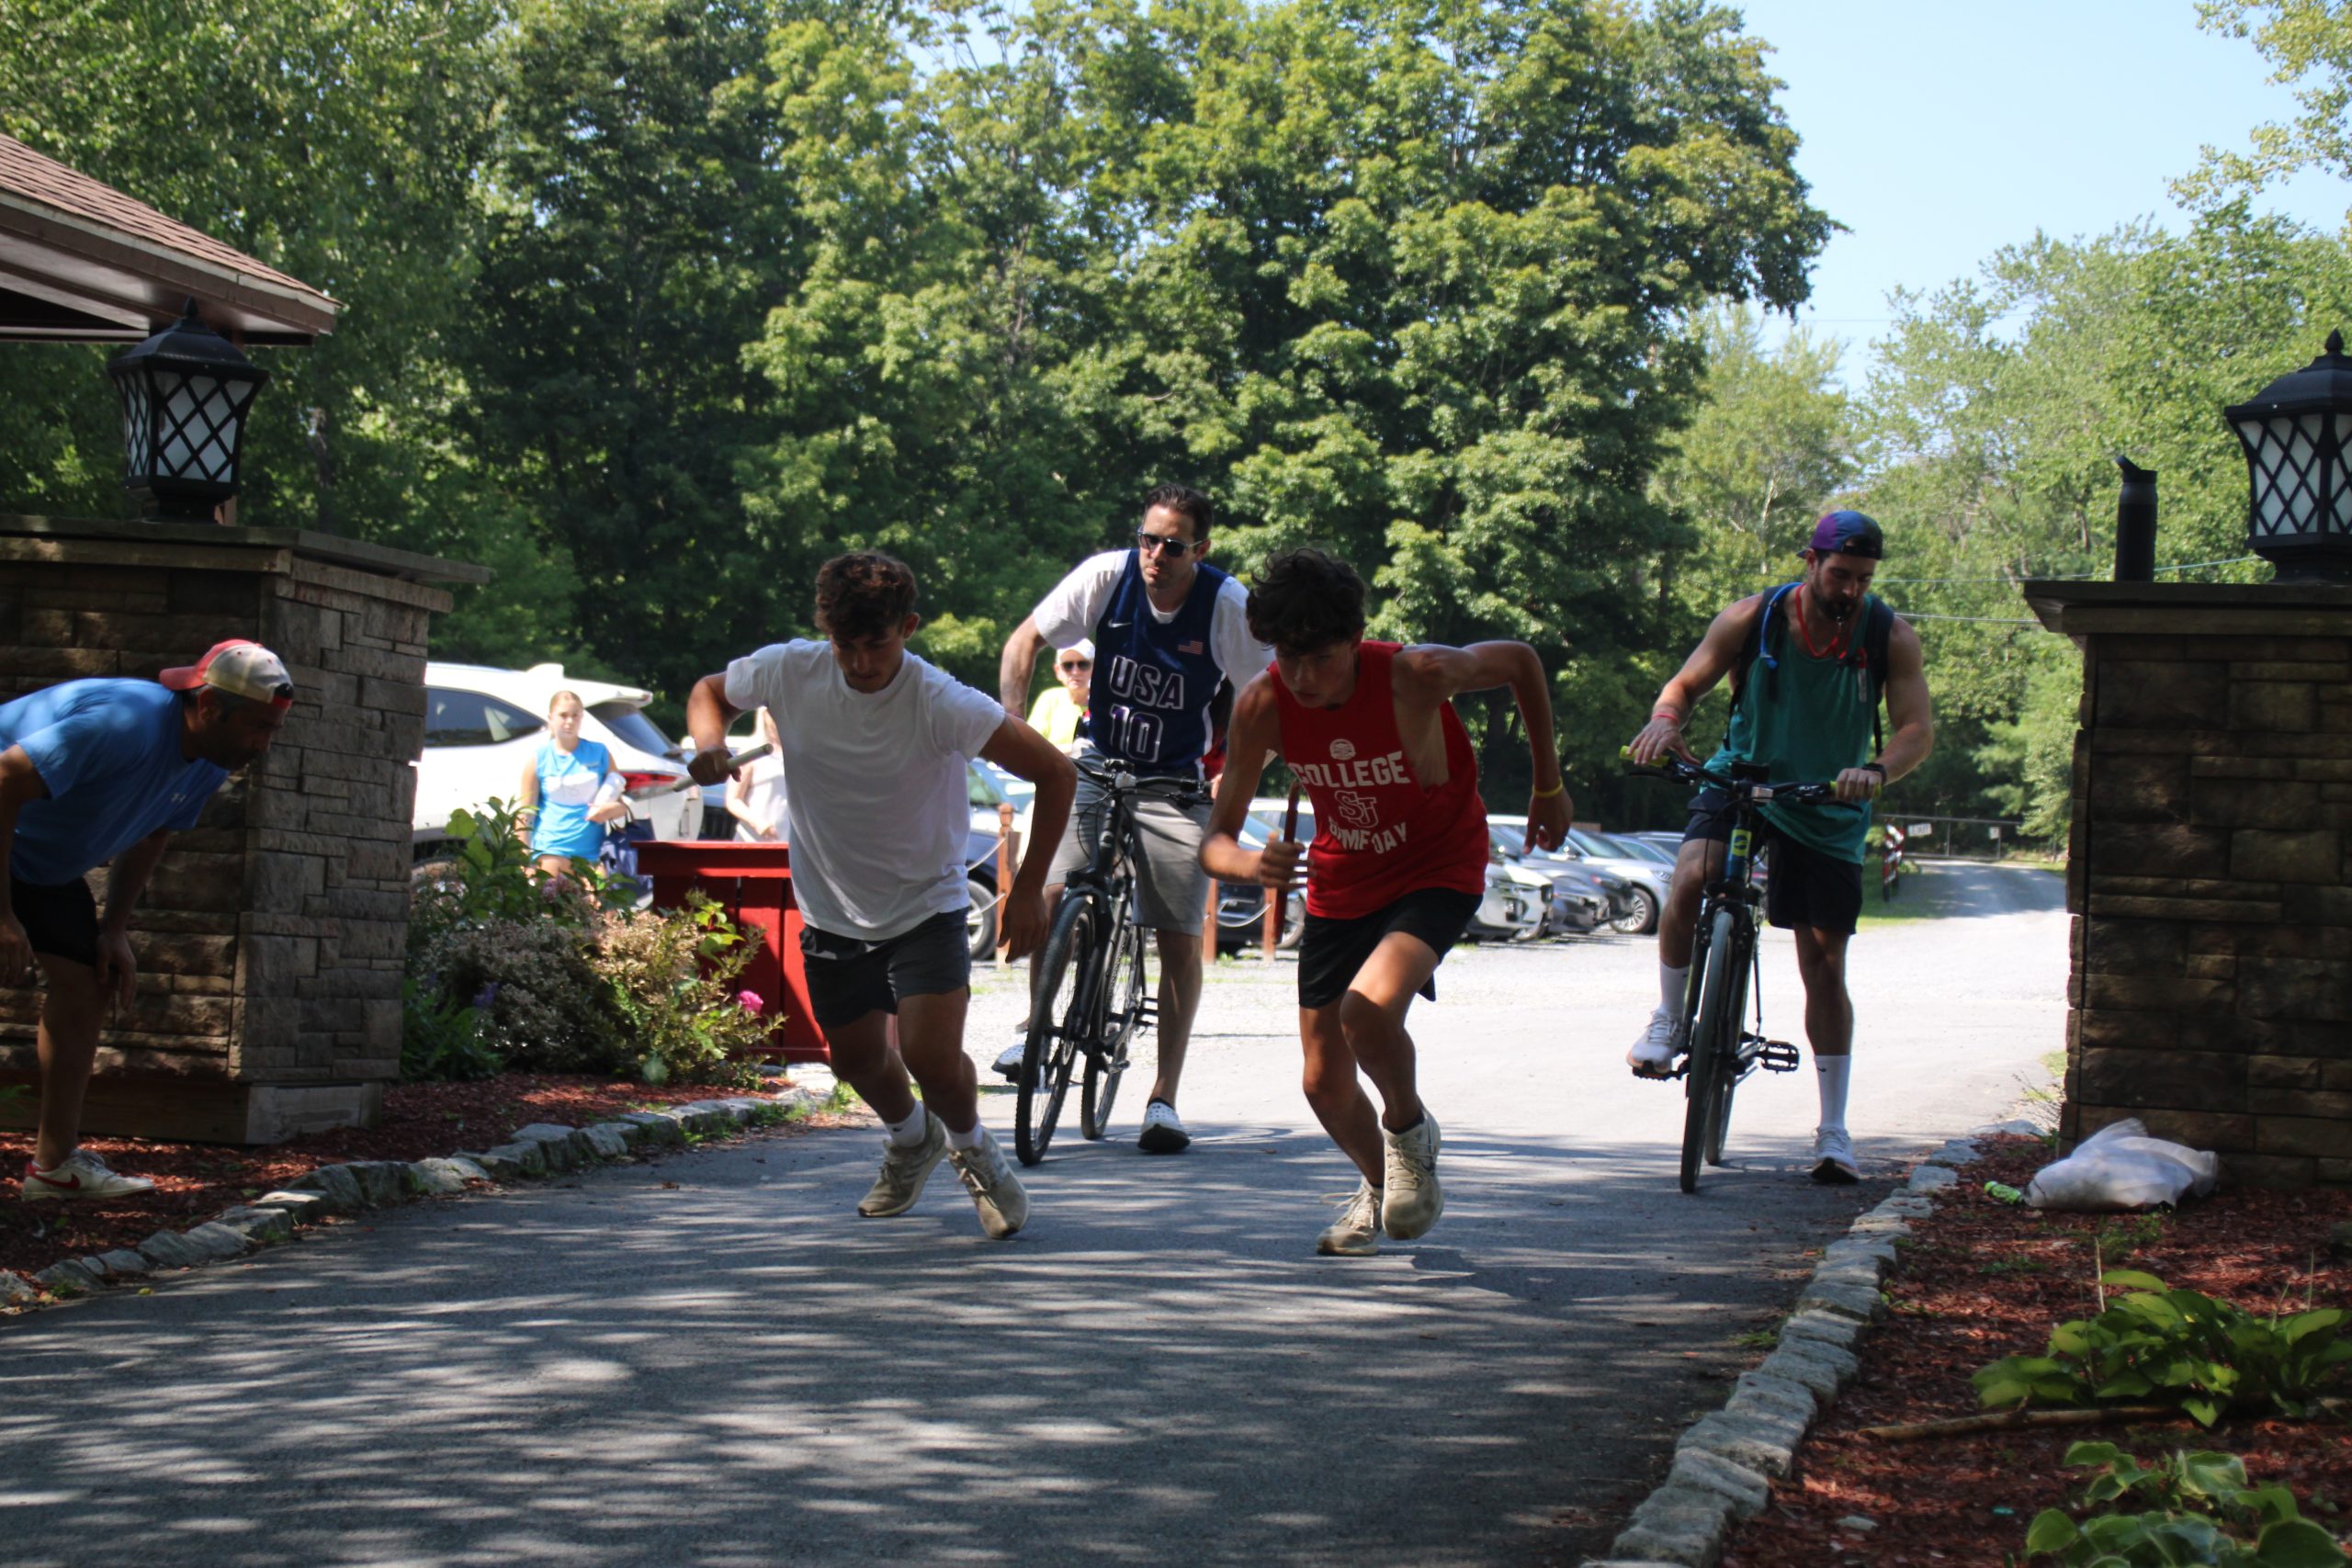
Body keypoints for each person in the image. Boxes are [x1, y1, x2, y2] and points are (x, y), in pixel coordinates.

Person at [686, 552, 1075, 1240]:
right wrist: (710, 741)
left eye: (878, 645)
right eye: (846, 646)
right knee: (855, 1061)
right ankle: (911, 1138)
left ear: (909, 627)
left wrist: (1028, 889)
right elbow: (708, 691)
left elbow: (1055, 772)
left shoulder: (941, 700)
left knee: (930, 1056)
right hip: (833, 907)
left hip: (927, 904)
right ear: (825, 632)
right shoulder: (788, 669)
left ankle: (973, 1148)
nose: (862, 664)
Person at [1200, 549, 1572, 1256]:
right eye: (1288, 657)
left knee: (1366, 1011)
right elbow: (1214, 841)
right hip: (1344, 880)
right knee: (1322, 1084)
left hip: (1437, 865)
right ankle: (1383, 1183)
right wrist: (1251, 861)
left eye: (1321, 658)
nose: (1304, 678)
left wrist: (1547, 785)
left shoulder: (1416, 673)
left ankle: (1409, 1130)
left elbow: (1521, 661)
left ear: (1355, 638)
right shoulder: (1262, 705)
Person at [1623, 510, 1934, 1184]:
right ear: (1810, 561)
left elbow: (1916, 729)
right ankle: (1670, 1018)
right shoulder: (1752, 616)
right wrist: (1666, 721)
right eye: (1841, 574)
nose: (1851, 589)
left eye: (1864, 578)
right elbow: (1684, 686)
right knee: (1690, 878)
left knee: (1824, 963)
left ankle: (1833, 1131)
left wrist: (1876, 771)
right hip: (1742, 775)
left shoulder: (1888, 635)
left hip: (1827, 797)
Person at [993, 484, 1274, 1153]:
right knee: (1050, 891)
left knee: (1177, 935)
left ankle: (1163, 1099)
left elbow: (1268, 699)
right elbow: (1023, 642)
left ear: (1200, 549)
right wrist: (1013, 729)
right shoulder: (1105, 577)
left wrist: (1234, 779)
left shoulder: (1225, 605)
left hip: (1175, 781)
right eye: (1148, 539)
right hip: (1095, 763)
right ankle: (1037, 1028)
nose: (1156, 555)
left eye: (1173, 545)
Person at [1, 639, 293, 1201]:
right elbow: (5, 778)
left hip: (38, 863)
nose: (263, 744)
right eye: (257, 727)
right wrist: (2, 915)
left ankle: (54, 1169)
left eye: (272, 730)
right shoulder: (125, 725)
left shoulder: (208, 761)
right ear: (208, 706)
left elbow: (154, 830)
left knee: (88, 983)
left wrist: (114, 930)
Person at [515, 690, 629, 879]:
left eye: (575, 715)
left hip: (592, 854)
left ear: (582, 718)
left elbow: (621, 807)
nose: (569, 721)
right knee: (550, 897)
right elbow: (525, 814)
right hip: (550, 850)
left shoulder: (600, 753)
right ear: (550, 719)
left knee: (600, 896)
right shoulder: (538, 758)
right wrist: (524, 861)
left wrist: (608, 810)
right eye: (563, 715)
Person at [725, 706, 789, 841]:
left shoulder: (797, 751)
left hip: (787, 839)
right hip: (753, 839)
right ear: (764, 715)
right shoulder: (752, 750)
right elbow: (733, 800)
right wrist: (756, 822)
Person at [1024, 639, 1093, 756]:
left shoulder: (1104, 705)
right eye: (1068, 665)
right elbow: (1032, 746)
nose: (1075, 672)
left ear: (1095, 668)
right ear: (1058, 671)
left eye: (1083, 664)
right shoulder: (1049, 699)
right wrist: (1076, 748)